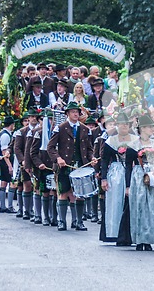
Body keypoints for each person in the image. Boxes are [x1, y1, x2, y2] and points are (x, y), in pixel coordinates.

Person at [125, 114, 154, 251]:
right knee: (140, 207)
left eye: (150, 127)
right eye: (146, 127)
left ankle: (151, 238)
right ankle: (140, 239)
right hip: (139, 176)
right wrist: (128, 186)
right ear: (140, 128)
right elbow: (128, 165)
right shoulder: (133, 145)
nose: (149, 129)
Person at [47, 102, 97, 231]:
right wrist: (58, 158)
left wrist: (92, 158)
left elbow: (89, 148)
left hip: (80, 165)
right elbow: (50, 147)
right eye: (73, 112)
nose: (75, 114)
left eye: (77, 112)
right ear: (67, 114)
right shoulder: (60, 128)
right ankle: (61, 221)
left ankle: (79, 222)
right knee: (63, 193)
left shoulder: (85, 129)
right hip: (64, 166)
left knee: (80, 194)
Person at [100, 112, 135, 244]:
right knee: (115, 202)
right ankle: (113, 232)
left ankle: (128, 233)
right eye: (121, 124)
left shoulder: (134, 140)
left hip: (131, 171)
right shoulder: (111, 140)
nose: (124, 126)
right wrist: (104, 178)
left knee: (129, 202)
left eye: (126, 124)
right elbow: (104, 160)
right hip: (116, 172)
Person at [29, 110, 57, 226]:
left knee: (55, 192)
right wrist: (38, 163)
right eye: (49, 119)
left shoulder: (58, 132)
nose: (52, 122)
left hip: (55, 167)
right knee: (45, 192)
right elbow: (32, 152)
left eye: (53, 119)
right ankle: (45, 216)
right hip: (43, 167)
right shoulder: (39, 133)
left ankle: (54, 216)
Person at [0, 116, 17, 213]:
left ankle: (3, 206)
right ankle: (9, 206)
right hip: (5, 161)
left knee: (3, 182)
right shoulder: (5, 136)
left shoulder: (1, 133)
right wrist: (10, 165)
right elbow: (5, 152)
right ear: (11, 125)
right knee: (12, 183)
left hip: (2, 161)